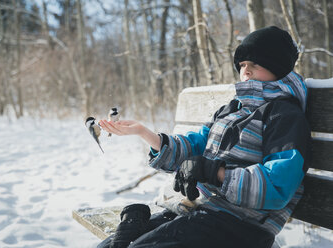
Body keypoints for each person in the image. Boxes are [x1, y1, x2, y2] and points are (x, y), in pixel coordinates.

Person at [98, 26, 311, 248]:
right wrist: (144, 133)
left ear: (277, 67)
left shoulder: (284, 116)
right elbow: (197, 145)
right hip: (199, 212)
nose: (245, 71)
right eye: (242, 65)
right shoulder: (232, 109)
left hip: (240, 227)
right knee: (111, 245)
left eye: (255, 65)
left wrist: (215, 172)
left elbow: (278, 186)